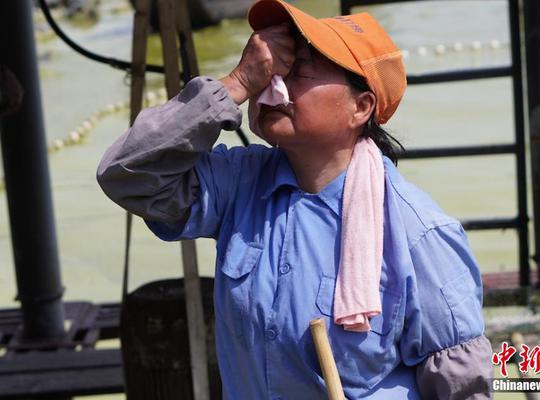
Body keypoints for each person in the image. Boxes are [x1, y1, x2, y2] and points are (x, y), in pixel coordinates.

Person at [97, 0, 493, 398]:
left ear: (361, 107)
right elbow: (127, 175)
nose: (275, 86)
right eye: (272, 71)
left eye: (298, 71)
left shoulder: (418, 233)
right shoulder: (239, 184)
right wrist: (235, 84)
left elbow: (463, 387)